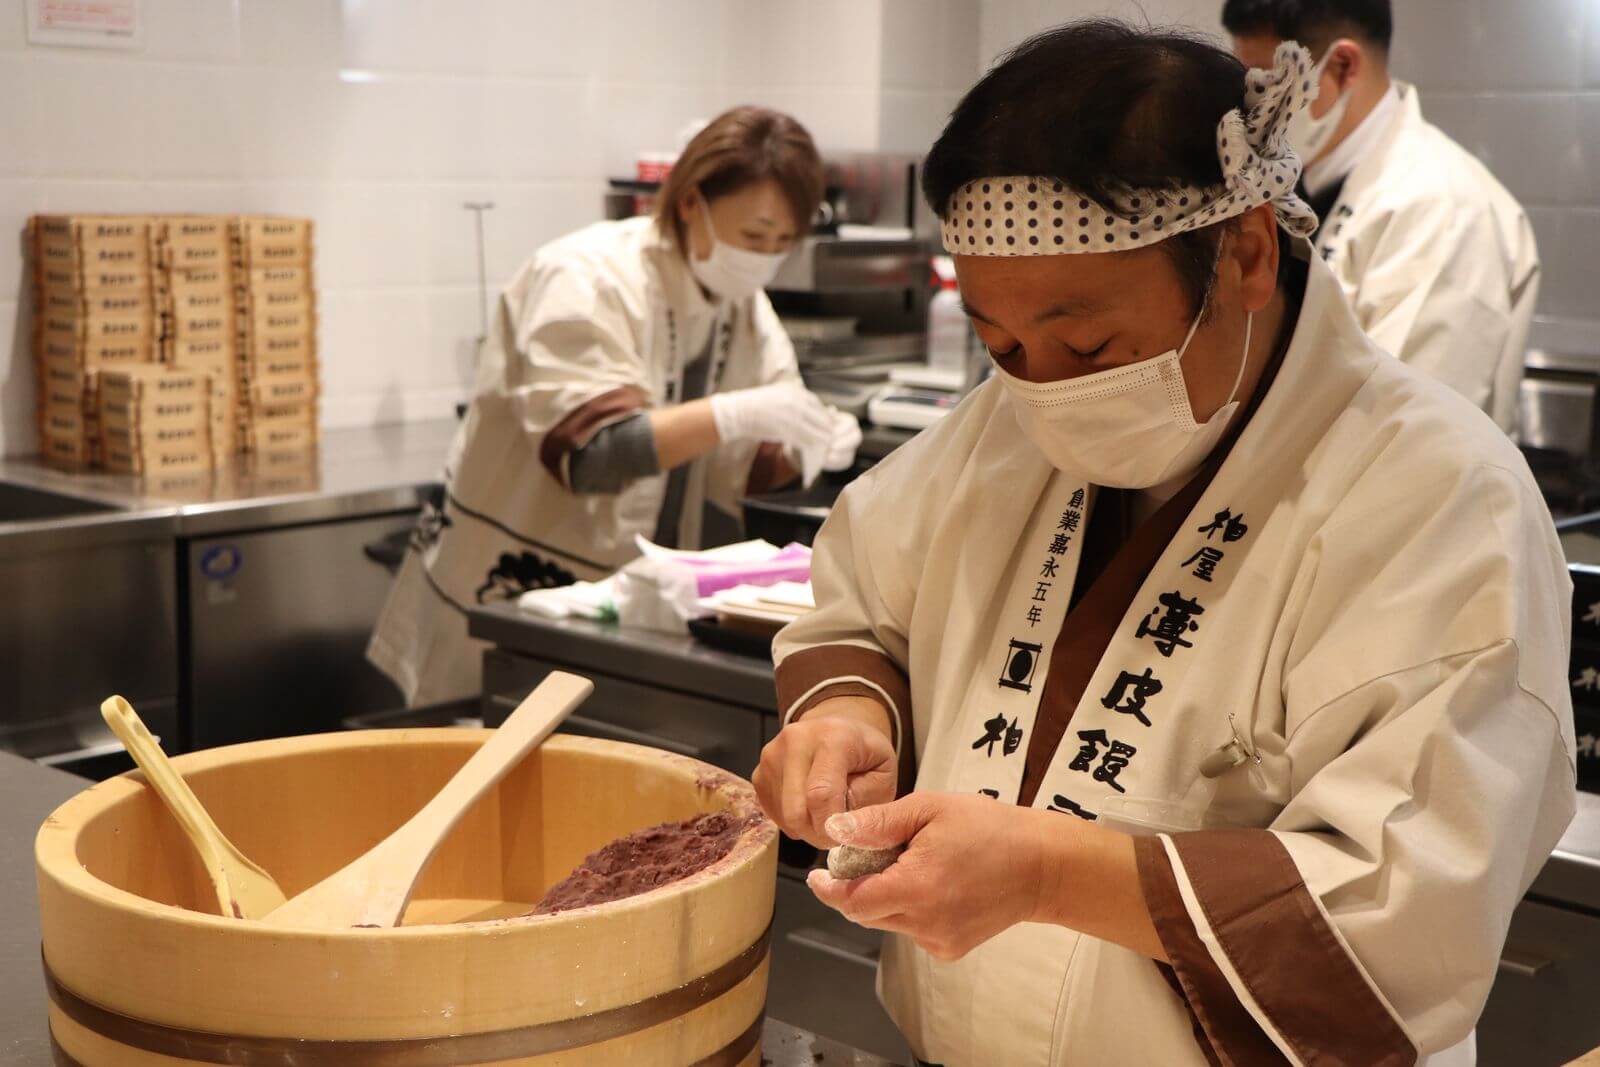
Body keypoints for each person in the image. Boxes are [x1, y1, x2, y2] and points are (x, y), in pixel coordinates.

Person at [753, 21, 1575, 1067]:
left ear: (1241, 254)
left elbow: (1407, 900)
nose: (1044, 391)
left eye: (1089, 343)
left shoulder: (1436, 496)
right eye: (1002, 346)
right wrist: (846, 712)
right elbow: (865, 596)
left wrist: (1051, 872)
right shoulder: (999, 428)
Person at [369, 106, 861, 708]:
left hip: (610, 610)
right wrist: (733, 413)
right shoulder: (586, 277)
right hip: (507, 601)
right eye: (754, 236)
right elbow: (593, 455)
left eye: (783, 243)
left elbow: (749, 471)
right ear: (690, 203)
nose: (764, 257)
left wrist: (806, 443)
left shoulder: (743, 307)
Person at [1223, 0, 1539, 435]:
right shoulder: (1298, 183)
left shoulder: (1442, 207)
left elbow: (1406, 426)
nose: (1250, 111)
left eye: (1266, 83)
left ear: (1342, 66)